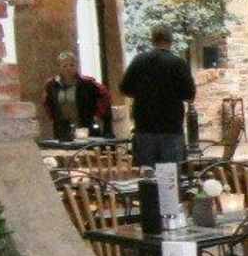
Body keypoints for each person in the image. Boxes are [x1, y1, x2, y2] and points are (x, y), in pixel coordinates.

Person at [119, 25, 196, 166]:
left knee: (146, 173)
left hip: (144, 126)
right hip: (170, 127)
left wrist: (143, 94)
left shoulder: (139, 61)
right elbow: (189, 95)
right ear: (171, 41)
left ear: (152, 40)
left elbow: (124, 89)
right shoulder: (178, 63)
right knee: (168, 175)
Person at [43, 51, 111, 140]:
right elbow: (47, 103)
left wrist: (97, 115)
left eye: (72, 65)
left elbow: (105, 96)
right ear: (59, 67)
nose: (68, 68)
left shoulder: (87, 83)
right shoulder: (51, 85)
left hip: (85, 126)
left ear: (76, 66)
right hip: (63, 129)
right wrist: (54, 118)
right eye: (64, 66)